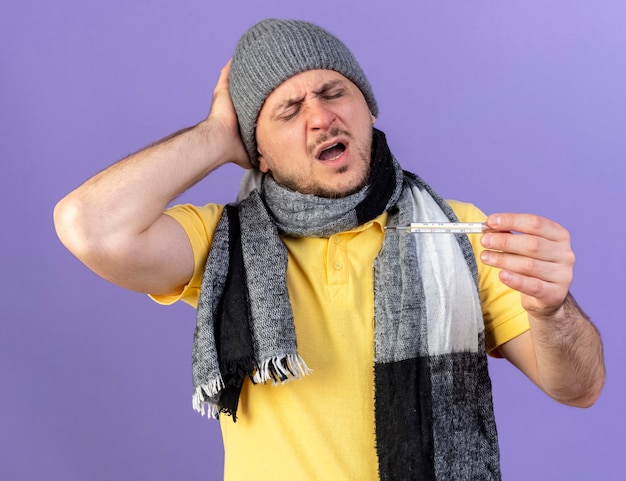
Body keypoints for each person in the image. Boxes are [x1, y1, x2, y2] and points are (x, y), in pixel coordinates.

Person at [54, 18, 605, 481]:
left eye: (334, 91)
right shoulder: (221, 242)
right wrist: (217, 134)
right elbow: (90, 226)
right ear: (257, 154)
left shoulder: (457, 231)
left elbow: (581, 389)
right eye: (288, 111)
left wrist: (552, 309)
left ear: (367, 109)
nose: (320, 116)